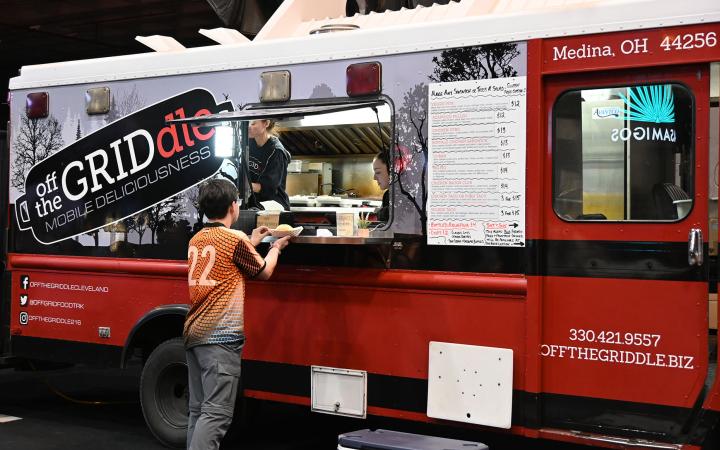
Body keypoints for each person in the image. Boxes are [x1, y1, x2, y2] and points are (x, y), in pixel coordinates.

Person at [184, 178, 290, 450]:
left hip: (193, 333)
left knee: (198, 411)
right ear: (233, 206)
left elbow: (225, 260)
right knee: (216, 414)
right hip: (220, 339)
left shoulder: (197, 238)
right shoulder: (235, 239)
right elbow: (264, 272)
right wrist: (275, 248)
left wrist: (252, 240)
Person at [248, 119, 291, 210]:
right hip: (255, 205)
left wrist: (245, 186)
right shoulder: (248, 144)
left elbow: (268, 188)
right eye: (247, 123)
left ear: (266, 123)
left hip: (273, 207)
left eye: (253, 123)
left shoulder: (276, 151)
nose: (248, 127)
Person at [372, 151, 391, 222]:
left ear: (391, 170)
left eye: (378, 172)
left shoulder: (406, 199)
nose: (374, 177)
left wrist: (380, 212)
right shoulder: (387, 195)